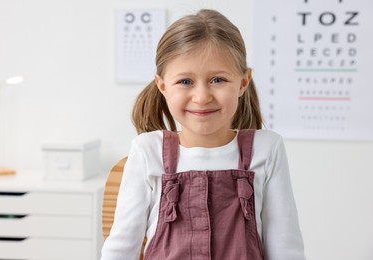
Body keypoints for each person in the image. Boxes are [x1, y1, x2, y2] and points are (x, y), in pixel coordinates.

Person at [101, 9, 305, 260]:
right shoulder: (147, 151)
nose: (202, 97)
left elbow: (286, 248)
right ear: (162, 85)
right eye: (185, 81)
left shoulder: (267, 148)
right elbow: (121, 248)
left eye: (218, 80)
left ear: (243, 82)